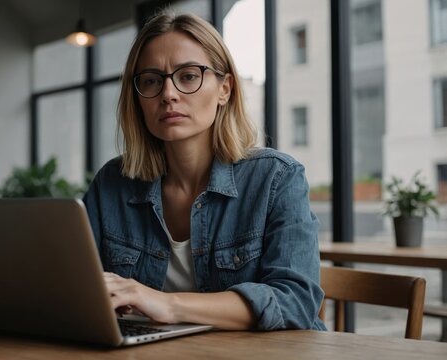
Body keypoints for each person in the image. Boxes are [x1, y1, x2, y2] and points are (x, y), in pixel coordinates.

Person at [83, 11, 325, 331]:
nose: (168, 94)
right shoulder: (112, 184)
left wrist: (166, 303)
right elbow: (77, 287)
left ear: (224, 89)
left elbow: (295, 301)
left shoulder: (277, 178)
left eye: (188, 76)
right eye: (152, 80)